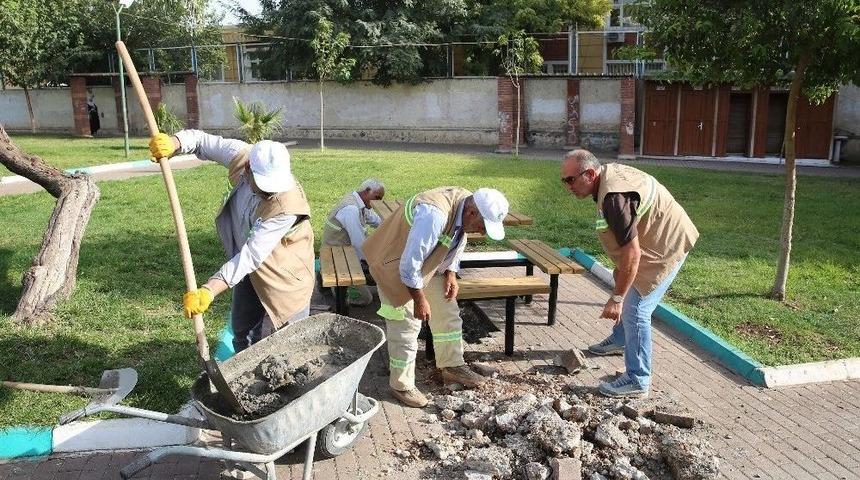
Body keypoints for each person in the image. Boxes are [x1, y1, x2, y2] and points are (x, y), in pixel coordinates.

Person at [149, 130, 315, 353]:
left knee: (287, 342)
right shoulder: (242, 156)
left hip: (287, 273)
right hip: (247, 266)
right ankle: (244, 368)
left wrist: (209, 290)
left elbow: (251, 256)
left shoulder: (286, 206)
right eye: (266, 186)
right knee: (242, 330)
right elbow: (202, 141)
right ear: (248, 169)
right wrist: (174, 142)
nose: (270, 193)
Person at [560, 150, 698, 398]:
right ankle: (621, 340)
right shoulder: (607, 178)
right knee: (627, 287)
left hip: (668, 245)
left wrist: (617, 298)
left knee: (636, 310)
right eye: (564, 181)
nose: (568, 187)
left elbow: (632, 255)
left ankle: (638, 379)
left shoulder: (615, 199)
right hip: (656, 236)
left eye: (570, 180)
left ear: (590, 174)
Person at [363, 186, 510, 408]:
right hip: (391, 265)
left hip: (424, 265)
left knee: (447, 311)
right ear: (472, 213)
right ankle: (401, 385)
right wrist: (420, 300)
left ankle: (452, 367)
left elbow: (459, 237)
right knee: (405, 325)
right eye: (482, 225)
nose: (482, 232)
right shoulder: (433, 215)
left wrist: (451, 272)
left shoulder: (466, 202)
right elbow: (409, 265)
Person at [320, 179, 385, 306]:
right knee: (366, 298)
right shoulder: (351, 209)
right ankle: (332, 284)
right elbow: (358, 243)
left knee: (379, 269)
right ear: (367, 191)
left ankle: (364, 276)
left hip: (345, 250)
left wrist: (391, 225)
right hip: (337, 256)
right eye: (377, 197)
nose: (378, 202)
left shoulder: (359, 202)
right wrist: (369, 265)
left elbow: (375, 220)